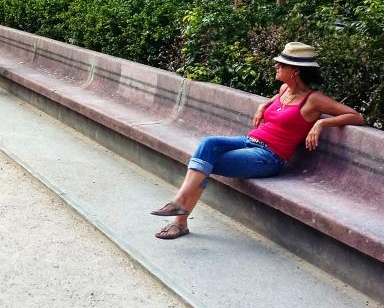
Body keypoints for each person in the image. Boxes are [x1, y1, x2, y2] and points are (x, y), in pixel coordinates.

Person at [150, 42, 365, 240]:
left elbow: (356, 116)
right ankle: (179, 207)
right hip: (249, 141)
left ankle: (180, 217)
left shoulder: (314, 100)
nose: (276, 67)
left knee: (205, 162)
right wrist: (264, 106)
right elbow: (276, 100)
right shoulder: (284, 90)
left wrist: (320, 124)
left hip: (268, 157)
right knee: (208, 145)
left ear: (295, 71)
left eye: (280, 65)